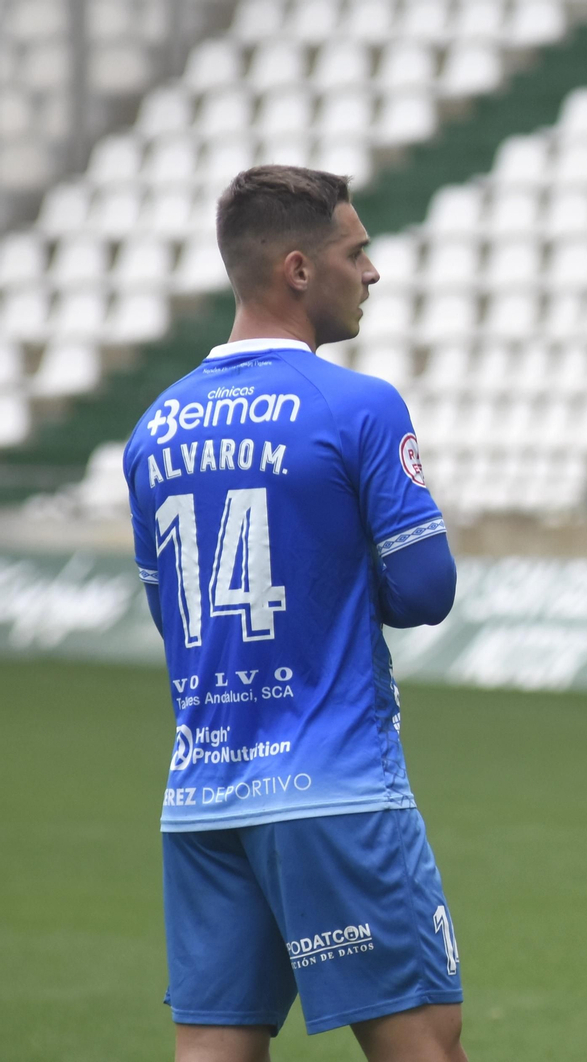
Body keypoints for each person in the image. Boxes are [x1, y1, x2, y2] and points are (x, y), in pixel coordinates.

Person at [123, 165, 467, 1062]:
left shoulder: (153, 428)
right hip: (335, 792)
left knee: (211, 1050)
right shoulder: (356, 407)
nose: (375, 271)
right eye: (358, 252)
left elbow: (172, 621)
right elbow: (426, 591)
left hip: (201, 797)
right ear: (299, 270)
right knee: (424, 1043)